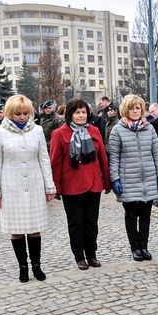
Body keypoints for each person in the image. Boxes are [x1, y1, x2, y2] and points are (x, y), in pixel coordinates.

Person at [0, 95, 57, 282]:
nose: (22, 117)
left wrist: (49, 186)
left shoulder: (37, 131)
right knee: (16, 229)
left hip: (34, 184)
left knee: (35, 228)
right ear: (10, 113)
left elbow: (44, 159)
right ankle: (23, 266)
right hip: (11, 186)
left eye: (25, 113)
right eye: (18, 114)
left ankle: (37, 265)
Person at [50, 98, 111, 270]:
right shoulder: (59, 134)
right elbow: (55, 162)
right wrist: (55, 187)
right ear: (70, 114)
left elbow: (102, 158)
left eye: (84, 112)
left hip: (93, 184)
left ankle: (91, 254)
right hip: (71, 187)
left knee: (92, 222)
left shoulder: (94, 131)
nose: (81, 115)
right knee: (76, 223)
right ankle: (79, 256)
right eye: (77, 112)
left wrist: (107, 181)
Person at [107, 95, 158, 262]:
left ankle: (144, 246)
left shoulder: (150, 129)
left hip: (148, 177)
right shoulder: (118, 130)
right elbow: (114, 158)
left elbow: (156, 154)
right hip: (128, 178)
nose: (135, 111)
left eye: (138, 108)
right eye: (132, 108)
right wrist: (115, 178)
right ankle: (135, 248)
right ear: (126, 110)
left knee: (146, 215)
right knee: (132, 215)